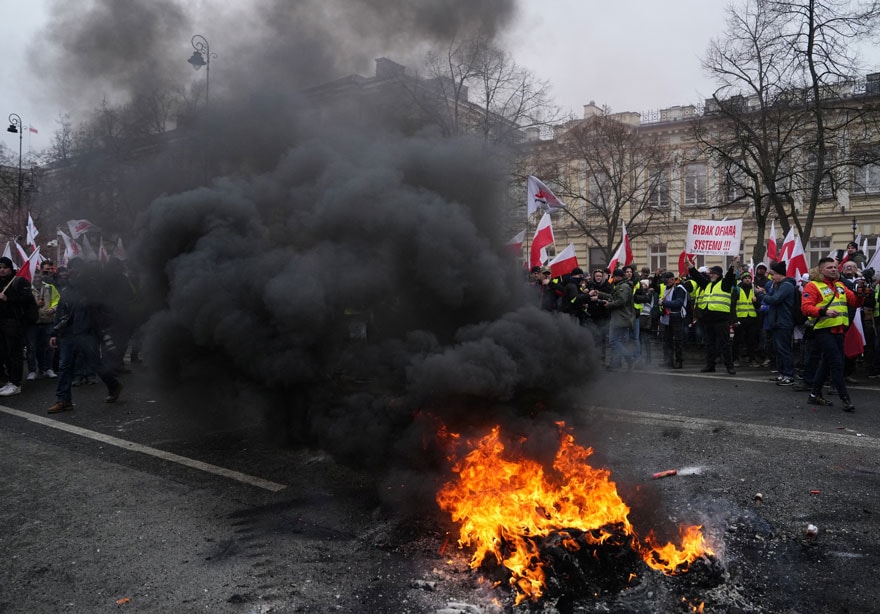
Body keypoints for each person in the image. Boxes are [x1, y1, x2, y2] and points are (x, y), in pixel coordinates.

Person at [47, 258, 123, 414]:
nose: (71, 273)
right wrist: (54, 333)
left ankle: (113, 385)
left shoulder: (92, 289)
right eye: (70, 270)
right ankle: (63, 400)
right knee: (65, 367)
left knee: (96, 364)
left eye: (75, 270)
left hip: (86, 333)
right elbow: (61, 312)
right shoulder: (66, 290)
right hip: (68, 334)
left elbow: (103, 311)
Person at [800, 257, 867, 411]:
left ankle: (814, 395)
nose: (833, 269)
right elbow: (805, 308)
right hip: (823, 330)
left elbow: (854, 302)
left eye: (835, 267)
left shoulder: (840, 285)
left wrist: (862, 294)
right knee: (837, 362)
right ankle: (845, 399)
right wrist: (824, 311)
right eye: (829, 267)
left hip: (839, 331)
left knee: (826, 363)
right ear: (821, 270)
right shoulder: (812, 286)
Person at [688, 257, 738, 374]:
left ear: (719, 275)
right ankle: (710, 365)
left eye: (713, 274)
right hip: (708, 319)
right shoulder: (708, 285)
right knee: (710, 344)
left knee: (725, 344)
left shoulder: (724, 284)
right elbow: (697, 277)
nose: (710, 275)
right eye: (710, 273)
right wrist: (690, 266)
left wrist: (734, 264)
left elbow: (730, 275)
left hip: (721, 320)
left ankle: (729, 366)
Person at [756, 261, 797, 385]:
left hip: (783, 322)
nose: (771, 277)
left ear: (780, 274)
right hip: (777, 322)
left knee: (784, 349)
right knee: (779, 349)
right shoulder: (778, 285)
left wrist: (762, 294)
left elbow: (774, 300)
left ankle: (789, 375)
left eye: (773, 274)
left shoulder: (787, 286)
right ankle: (783, 373)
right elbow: (772, 296)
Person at [0, 257, 34, 396]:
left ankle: (16, 383)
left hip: (13, 323)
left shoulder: (19, 281)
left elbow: (27, 299)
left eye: (5, 267)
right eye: (0, 267)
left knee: (15, 354)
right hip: (1, 322)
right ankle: (10, 380)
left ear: (10, 268)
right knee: (5, 353)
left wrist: (9, 299)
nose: (2, 270)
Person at [596, 268, 636, 370]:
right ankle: (616, 363)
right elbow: (614, 296)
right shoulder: (621, 286)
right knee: (617, 341)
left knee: (614, 341)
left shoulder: (623, 287)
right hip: (620, 318)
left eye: (614, 277)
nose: (613, 279)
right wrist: (600, 294)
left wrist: (609, 305)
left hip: (621, 318)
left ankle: (629, 358)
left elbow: (621, 301)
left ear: (618, 277)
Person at [26, 270, 60, 380]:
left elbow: (57, 300)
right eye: (35, 277)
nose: (37, 279)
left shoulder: (50, 287)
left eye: (39, 277)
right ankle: (32, 371)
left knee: (49, 347)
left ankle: (48, 369)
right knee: (31, 348)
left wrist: (53, 309)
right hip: (33, 322)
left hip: (48, 321)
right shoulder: (27, 289)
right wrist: (34, 305)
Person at [659, 271, 688, 369]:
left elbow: (678, 303)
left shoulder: (679, 288)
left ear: (672, 280)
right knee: (667, 340)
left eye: (666, 281)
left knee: (678, 340)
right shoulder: (667, 288)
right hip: (667, 318)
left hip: (677, 317)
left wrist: (664, 303)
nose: (665, 283)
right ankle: (668, 361)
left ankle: (679, 361)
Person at [732, 272, 761, 367]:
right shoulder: (737, 290)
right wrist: (734, 319)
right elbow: (732, 306)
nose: (748, 279)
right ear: (742, 279)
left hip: (752, 318)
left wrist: (756, 302)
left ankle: (752, 359)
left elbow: (758, 306)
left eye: (749, 278)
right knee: (738, 339)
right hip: (740, 318)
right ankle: (735, 358)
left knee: (751, 340)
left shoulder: (754, 290)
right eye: (746, 278)